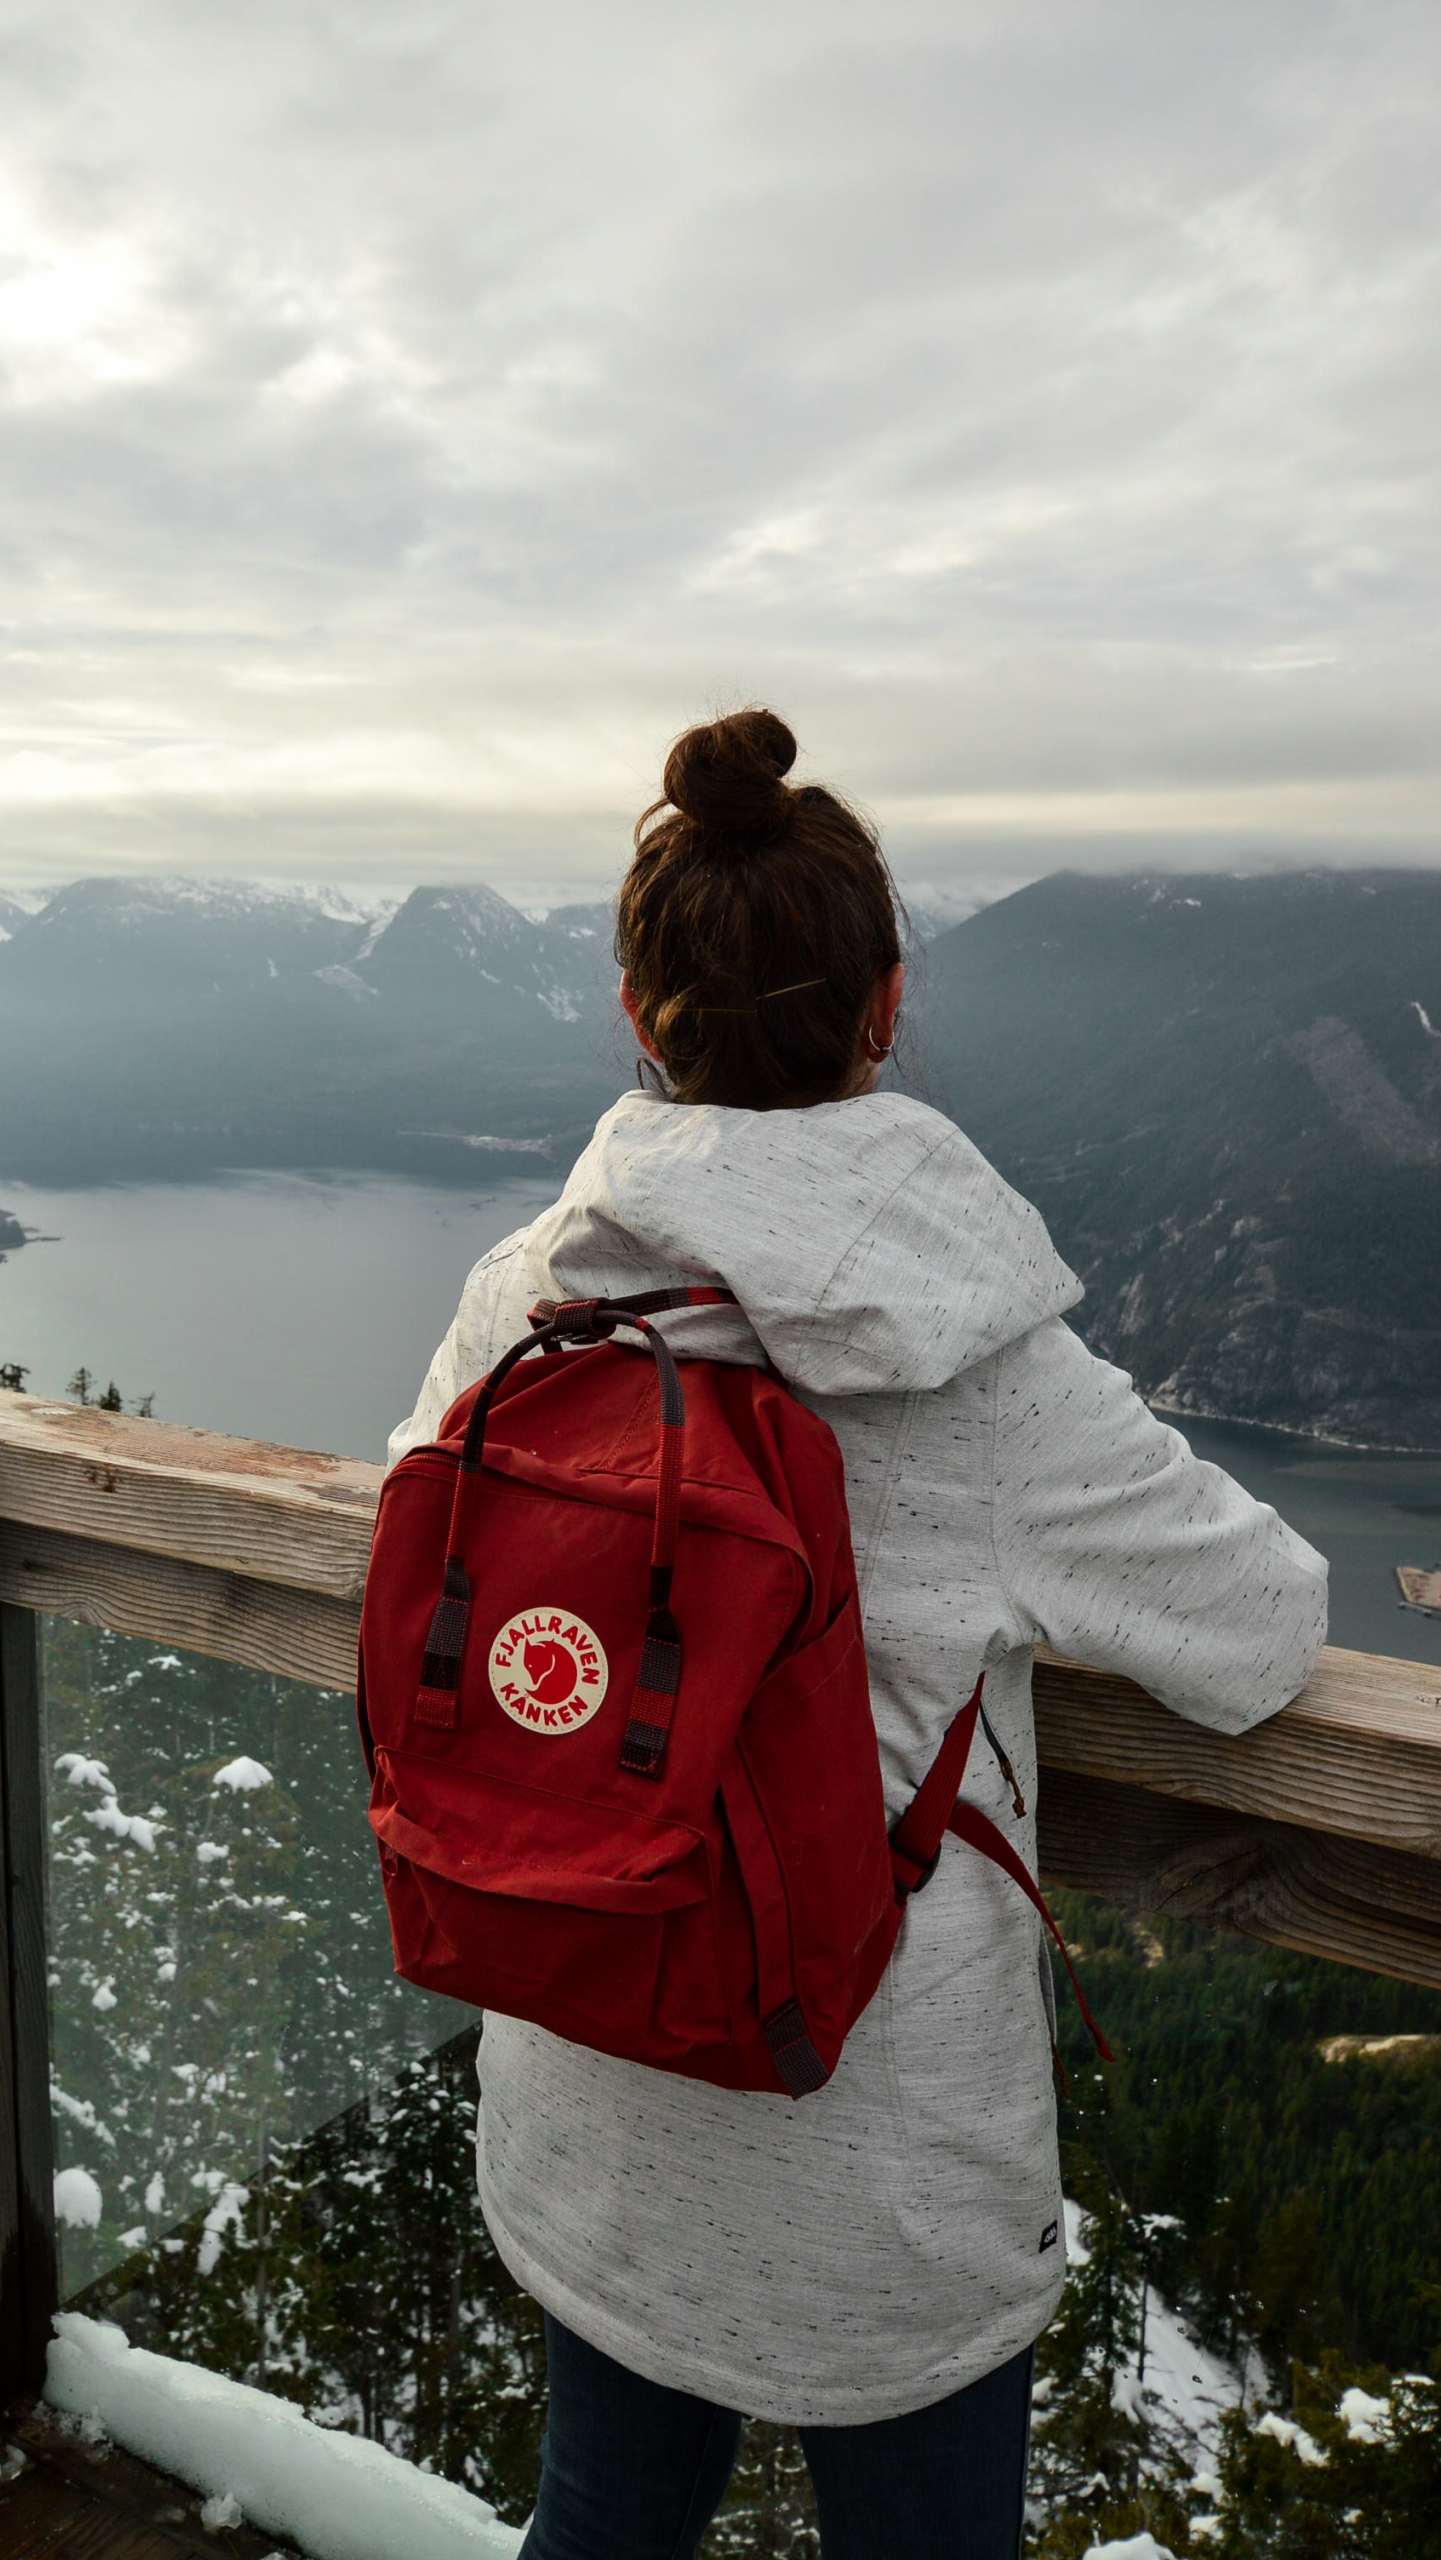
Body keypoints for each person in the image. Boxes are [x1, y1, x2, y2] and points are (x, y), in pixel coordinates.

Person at [387, 708, 1327, 2560]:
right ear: (885, 1007)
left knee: (596, 2527)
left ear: (637, 1016)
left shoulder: (528, 1296)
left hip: (595, 2057)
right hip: (876, 2154)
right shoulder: (982, 1363)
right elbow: (1264, 1630)